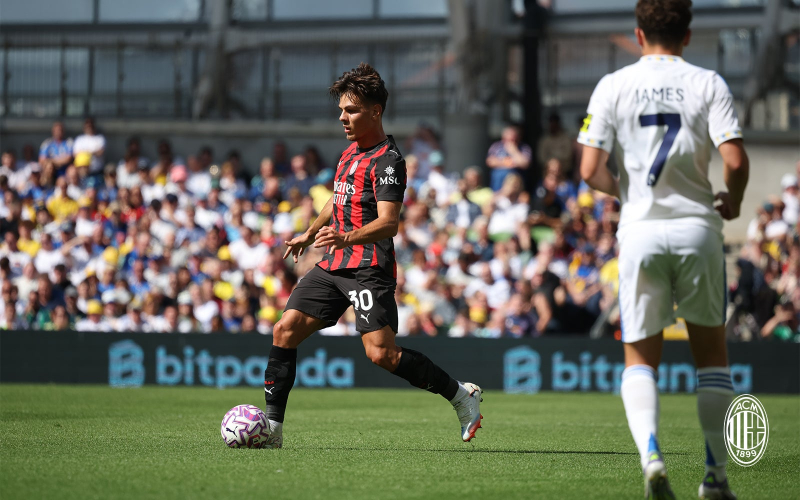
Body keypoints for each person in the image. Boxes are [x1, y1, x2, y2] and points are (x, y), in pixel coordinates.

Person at [578, 1, 749, 498]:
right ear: (688, 34)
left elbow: (589, 169)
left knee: (639, 359)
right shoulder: (708, 83)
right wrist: (734, 200)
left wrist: (629, 194)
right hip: (697, 228)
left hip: (641, 232)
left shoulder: (613, 84)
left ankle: (651, 455)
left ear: (638, 34)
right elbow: (736, 161)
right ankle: (715, 476)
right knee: (712, 359)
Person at [268, 63, 482, 450]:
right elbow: (338, 198)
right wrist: (310, 234)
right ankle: (271, 430)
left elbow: (389, 223)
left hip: (368, 266)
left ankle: (460, 396)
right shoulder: (349, 154)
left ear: (375, 112)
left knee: (382, 354)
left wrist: (345, 237)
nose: (342, 117)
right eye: (341, 110)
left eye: (351, 110)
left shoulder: (389, 161)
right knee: (284, 329)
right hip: (334, 264)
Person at [486, 125, 532, 192]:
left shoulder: (524, 147)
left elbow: (525, 164)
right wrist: (507, 162)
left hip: (516, 175)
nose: (511, 142)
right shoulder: (496, 146)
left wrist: (514, 151)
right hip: (498, 176)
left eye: (513, 140)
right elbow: (490, 161)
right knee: (499, 174)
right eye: (508, 139)